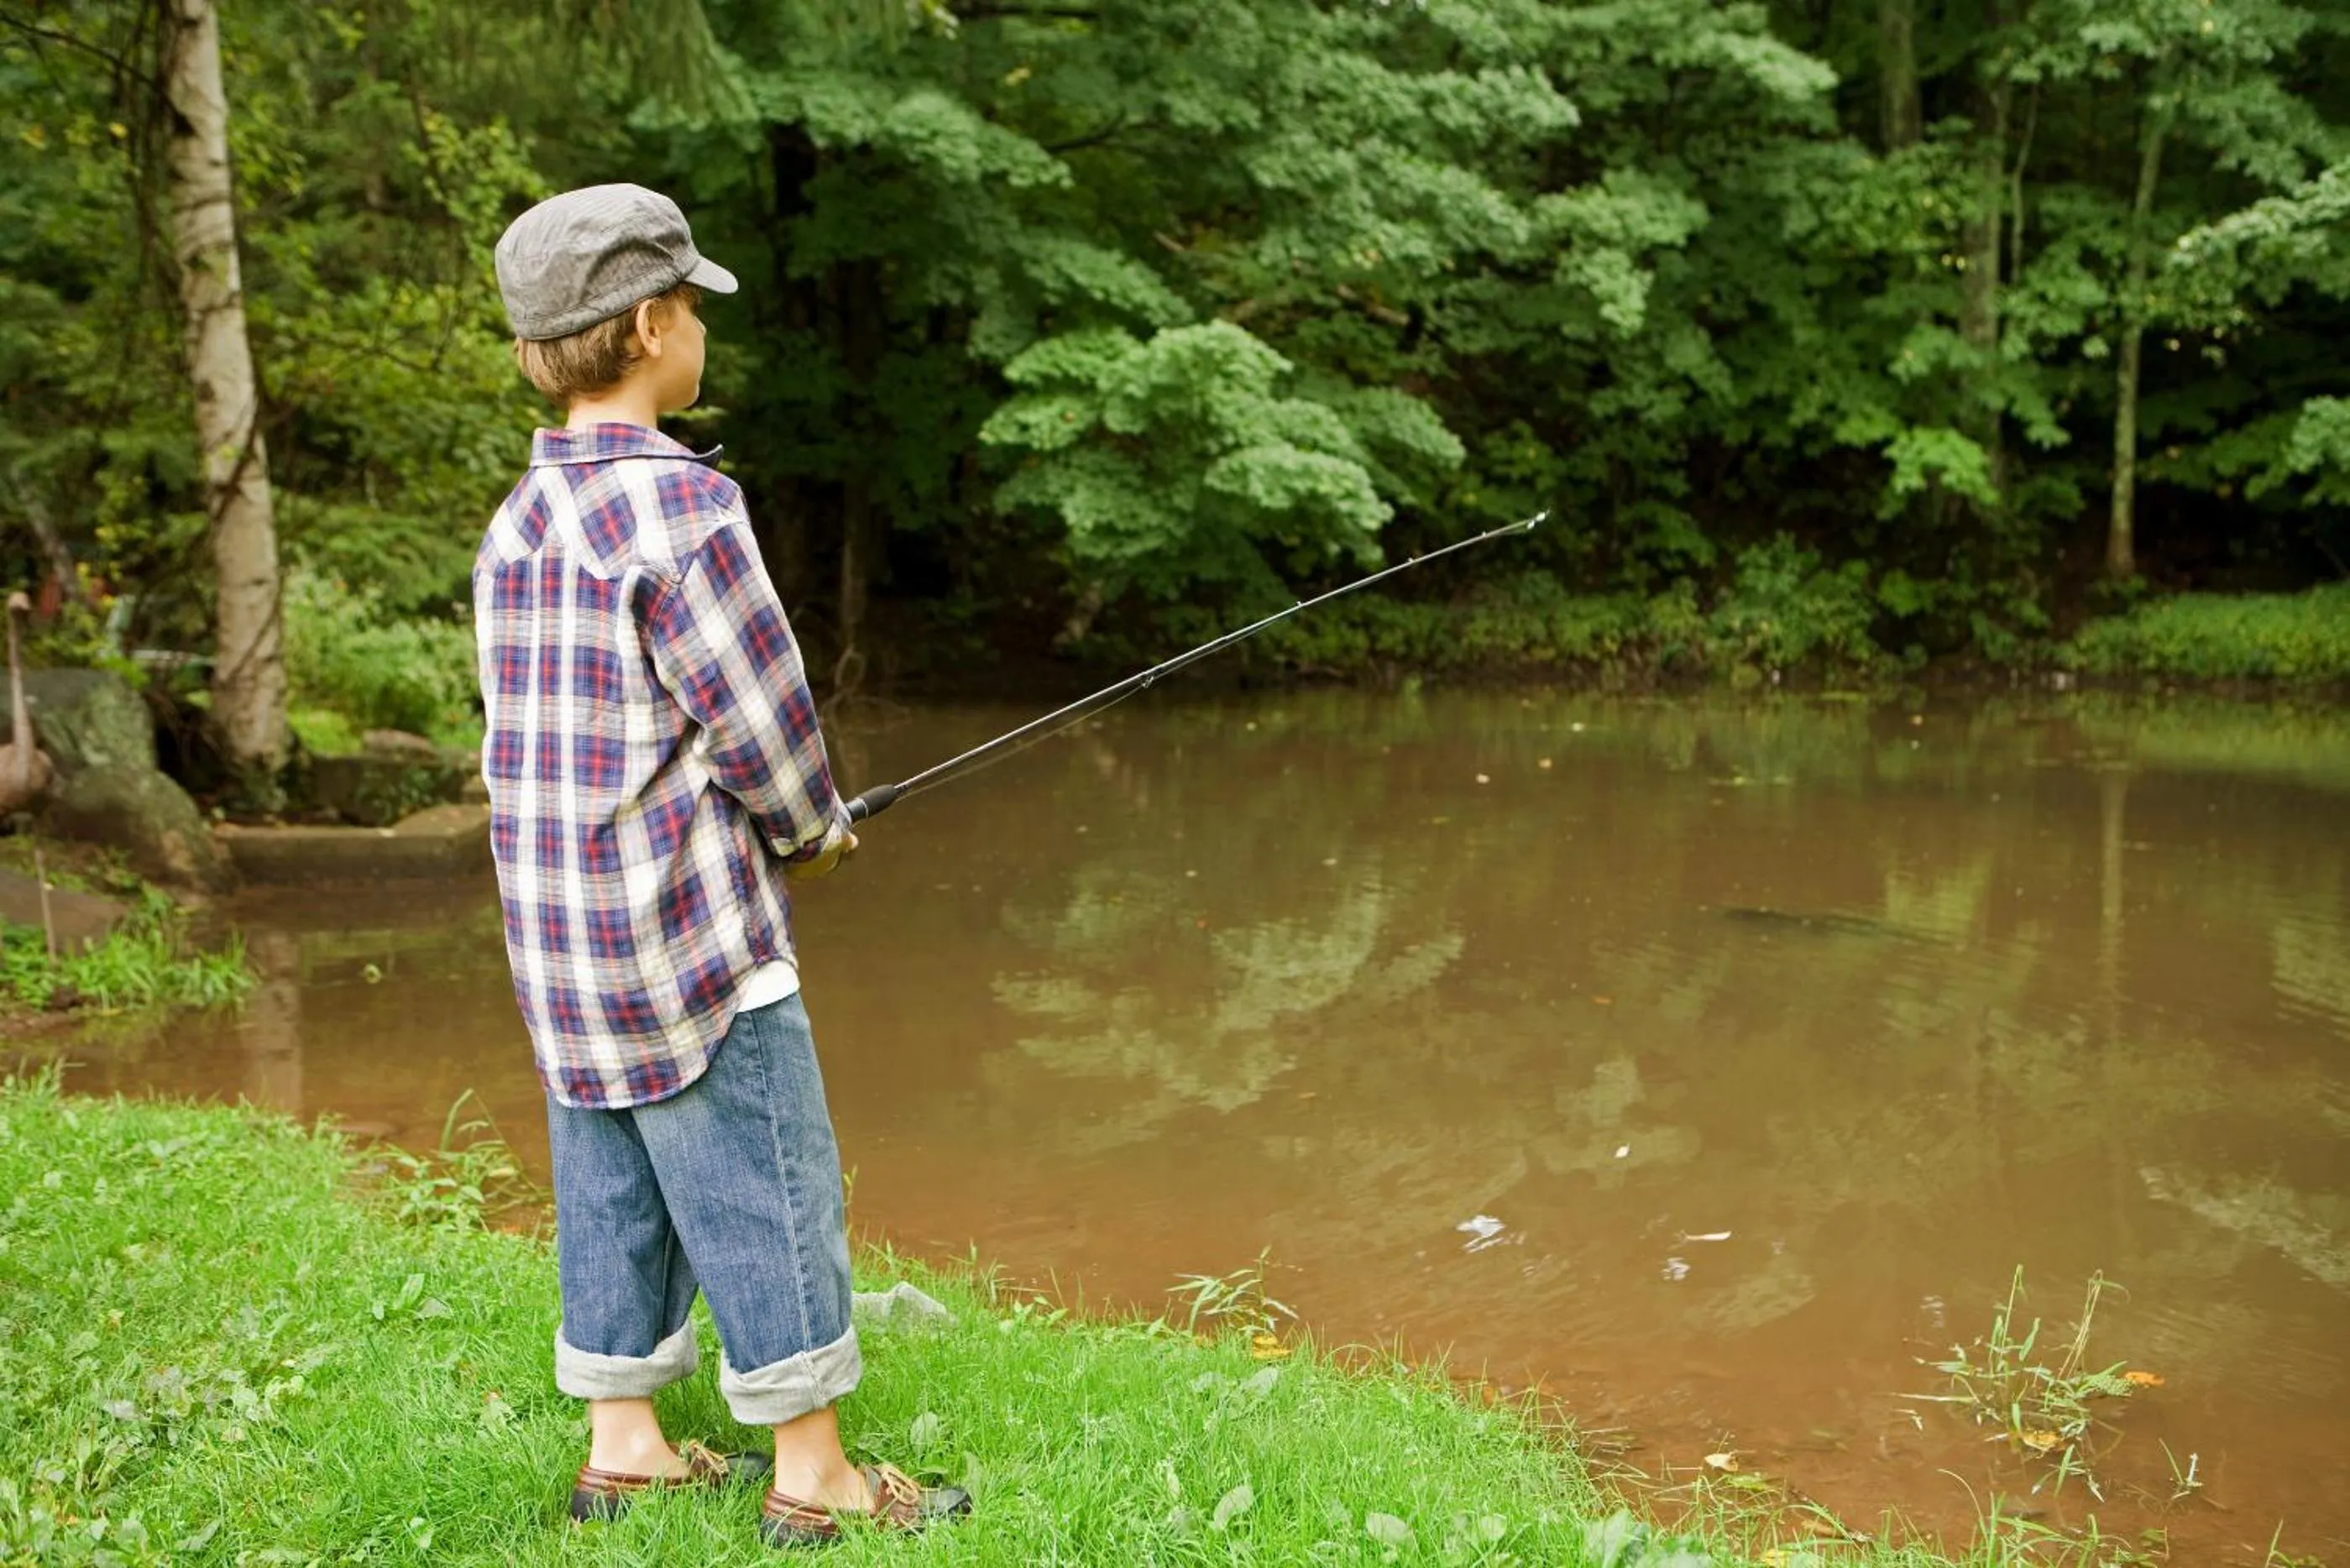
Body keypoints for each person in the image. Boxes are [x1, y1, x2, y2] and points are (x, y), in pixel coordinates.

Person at [479, 183, 968, 1548]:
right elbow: (758, 717)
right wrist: (812, 832)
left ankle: (624, 1444)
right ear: (649, 328)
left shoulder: (520, 519)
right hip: (690, 937)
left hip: (561, 940)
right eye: (692, 306)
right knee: (765, 1181)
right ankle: (814, 1475)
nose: (700, 328)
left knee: (609, 1179)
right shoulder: (685, 508)